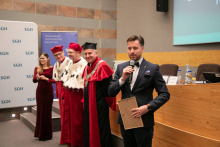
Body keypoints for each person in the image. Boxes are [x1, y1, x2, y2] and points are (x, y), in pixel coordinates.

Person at [108, 35, 170, 147]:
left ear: (142, 48)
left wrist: (148, 107)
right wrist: (122, 79)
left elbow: (165, 94)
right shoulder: (121, 67)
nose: (132, 51)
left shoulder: (152, 68)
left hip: (144, 120)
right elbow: (111, 92)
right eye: (129, 48)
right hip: (125, 119)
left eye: (135, 48)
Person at [82, 42, 116, 147]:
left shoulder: (102, 66)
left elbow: (108, 90)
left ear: (96, 53)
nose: (88, 56)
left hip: (99, 105)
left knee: (101, 129)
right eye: (86, 54)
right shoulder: (87, 67)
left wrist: (105, 104)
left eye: (90, 53)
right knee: (88, 127)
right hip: (89, 104)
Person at [60, 43, 87, 147]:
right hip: (69, 94)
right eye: (68, 52)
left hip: (77, 95)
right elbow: (65, 79)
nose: (69, 55)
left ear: (78, 52)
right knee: (68, 118)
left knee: (77, 121)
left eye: (71, 52)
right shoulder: (69, 63)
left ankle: (78, 143)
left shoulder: (84, 64)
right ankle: (70, 140)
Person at [32, 52, 56, 141]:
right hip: (40, 92)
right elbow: (34, 80)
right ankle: (40, 134)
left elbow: (55, 81)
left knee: (47, 112)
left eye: (43, 58)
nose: (41, 60)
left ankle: (47, 134)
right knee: (40, 112)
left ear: (48, 59)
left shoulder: (52, 68)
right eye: (40, 58)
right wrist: (37, 78)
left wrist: (47, 79)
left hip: (48, 92)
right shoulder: (37, 68)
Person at [50, 45, 71, 144]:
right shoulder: (56, 65)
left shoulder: (70, 62)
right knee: (63, 115)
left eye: (60, 54)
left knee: (68, 114)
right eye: (55, 55)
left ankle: (69, 137)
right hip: (60, 89)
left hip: (67, 90)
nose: (58, 56)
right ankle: (65, 137)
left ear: (63, 52)